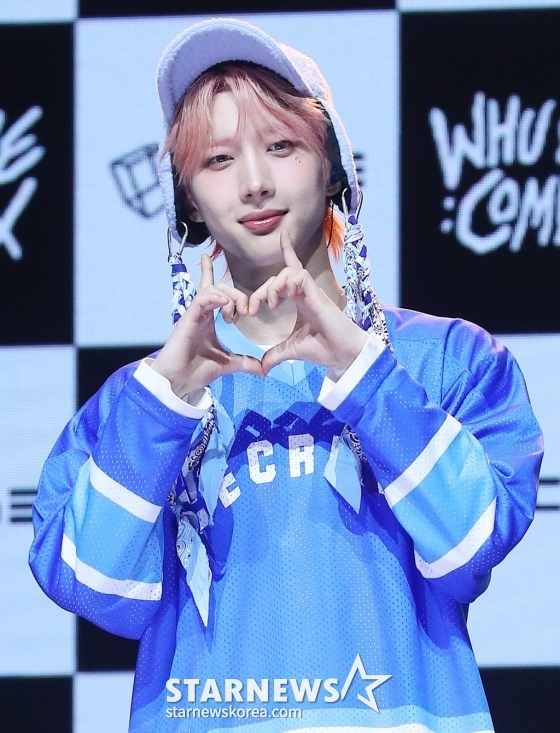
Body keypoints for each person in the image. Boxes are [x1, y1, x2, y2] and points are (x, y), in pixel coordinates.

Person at [30, 17, 543, 733]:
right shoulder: (136, 404)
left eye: (281, 146)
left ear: (331, 164)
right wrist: (166, 403)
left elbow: (470, 548)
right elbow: (97, 589)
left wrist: (363, 376)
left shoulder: (451, 361)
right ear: (186, 198)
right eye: (218, 159)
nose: (255, 183)